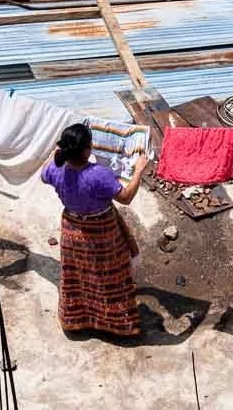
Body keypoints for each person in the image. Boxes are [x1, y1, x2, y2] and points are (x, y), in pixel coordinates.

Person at [41, 122, 150, 338]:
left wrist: (55, 153)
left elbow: (44, 172)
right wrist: (138, 171)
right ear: (87, 149)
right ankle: (117, 323)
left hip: (73, 233)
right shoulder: (99, 174)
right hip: (102, 235)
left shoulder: (56, 169)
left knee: (77, 277)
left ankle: (78, 320)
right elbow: (126, 197)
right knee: (110, 277)